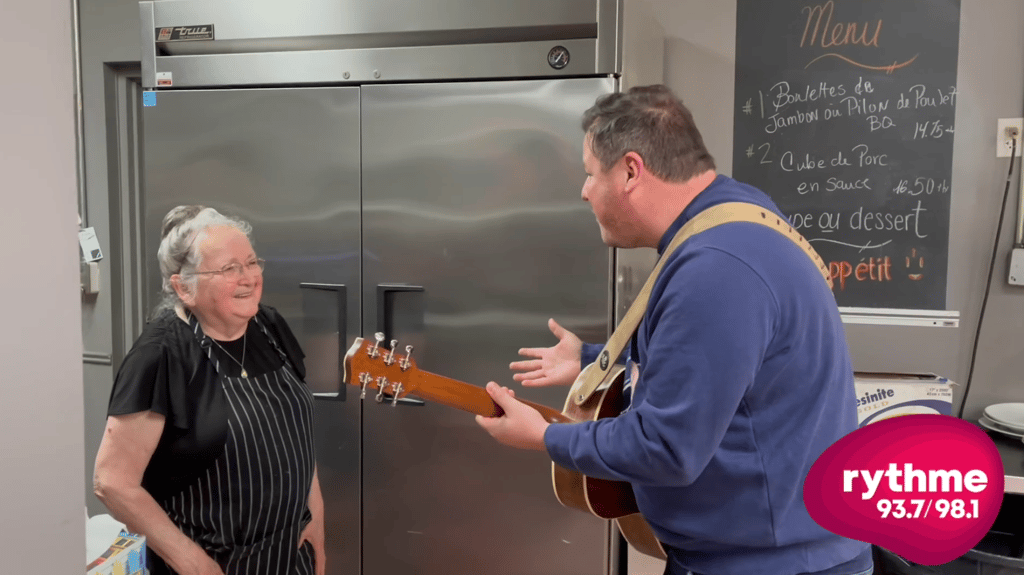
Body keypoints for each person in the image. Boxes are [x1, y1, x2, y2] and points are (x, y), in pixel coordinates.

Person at [475, 85, 873, 575]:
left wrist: (544, 437)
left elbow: (666, 448)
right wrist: (590, 357)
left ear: (629, 171)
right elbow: (713, 359)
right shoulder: (736, 215)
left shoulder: (716, 268)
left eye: (589, 174)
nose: (583, 190)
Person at [93, 206, 326, 575]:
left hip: (289, 555)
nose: (249, 278)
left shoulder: (268, 325)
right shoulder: (160, 357)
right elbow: (112, 482)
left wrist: (316, 516)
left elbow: (294, 430)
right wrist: (191, 561)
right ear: (184, 287)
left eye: (252, 262)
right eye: (229, 269)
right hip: (217, 565)